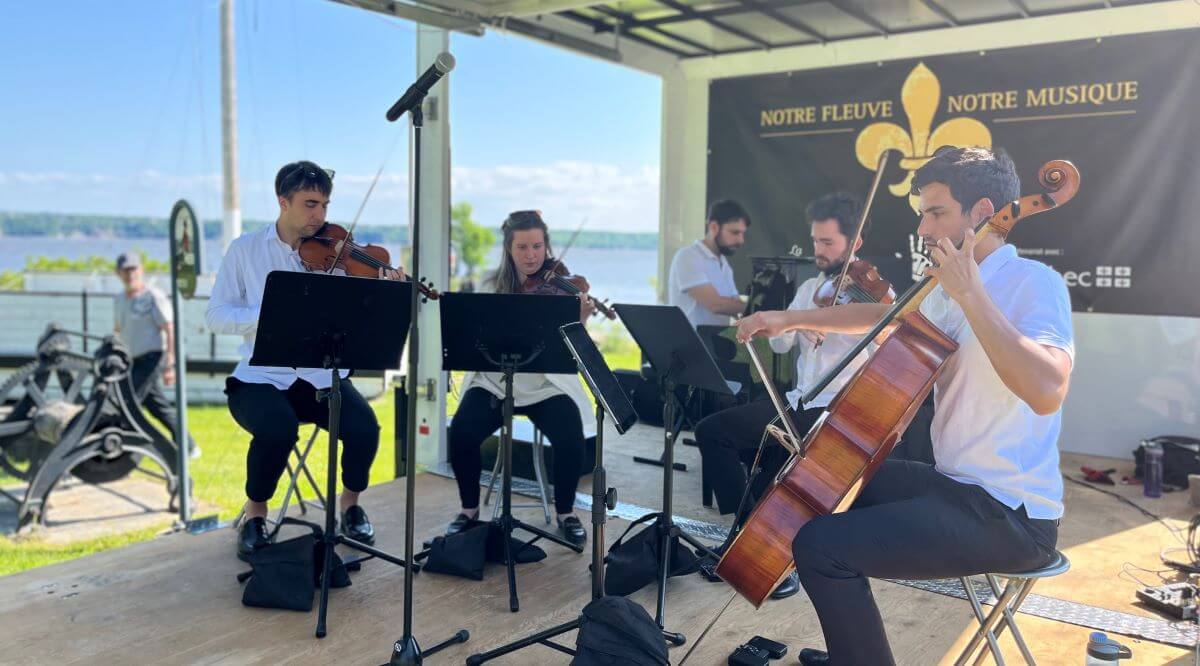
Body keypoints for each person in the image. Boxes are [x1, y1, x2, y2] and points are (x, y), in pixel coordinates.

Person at [737, 146, 1072, 665]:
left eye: (935, 213)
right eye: (922, 214)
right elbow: (884, 316)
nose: (922, 228)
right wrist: (787, 319)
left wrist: (972, 296)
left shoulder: (1033, 282)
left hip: (1011, 515)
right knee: (829, 480)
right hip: (955, 486)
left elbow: (1047, 390)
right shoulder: (943, 290)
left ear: (983, 213)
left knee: (822, 547)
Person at [206, 160, 403, 561]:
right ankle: (255, 515)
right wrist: (269, 314)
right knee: (277, 430)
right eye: (310, 204)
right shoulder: (245, 250)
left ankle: (350, 506)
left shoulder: (337, 256)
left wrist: (387, 293)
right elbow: (215, 316)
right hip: (260, 377)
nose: (320, 215)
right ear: (283, 202)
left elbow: (360, 318)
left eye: (325, 205)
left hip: (319, 374)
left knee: (365, 428)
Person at [694, 191, 879, 601]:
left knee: (769, 480)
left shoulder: (871, 294)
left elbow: (883, 340)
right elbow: (779, 345)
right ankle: (747, 538)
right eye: (815, 240)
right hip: (797, 403)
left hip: (835, 412)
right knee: (713, 433)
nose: (818, 250)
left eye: (828, 242)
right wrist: (794, 323)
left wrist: (832, 323)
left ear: (855, 243)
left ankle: (774, 557)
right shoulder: (810, 288)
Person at [444, 210, 596, 546]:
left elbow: (571, 347)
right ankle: (469, 510)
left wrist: (581, 319)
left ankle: (566, 512)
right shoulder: (489, 285)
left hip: (543, 384)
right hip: (494, 382)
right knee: (462, 432)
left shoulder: (560, 288)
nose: (531, 256)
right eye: (522, 247)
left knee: (572, 436)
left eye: (537, 247)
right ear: (508, 249)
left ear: (546, 247)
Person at [113, 252, 200, 458]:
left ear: (141, 270)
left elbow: (169, 328)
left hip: (153, 358)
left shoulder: (153, 296)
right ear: (118, 273)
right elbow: (118, 330)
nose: (130, 274)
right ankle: (188, 445)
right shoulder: (119, 299)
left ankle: (126, 449)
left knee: (129, 401)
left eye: (133, 269)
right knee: (157, 406)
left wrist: (170, 362)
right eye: (125, 270)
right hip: (132, 361)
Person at [667, 199, 750, 328]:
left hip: (713, 339)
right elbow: (716, 305)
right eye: (735, 233)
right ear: (714, 227)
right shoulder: (688, 256)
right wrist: (760, 308)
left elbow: (735, 305)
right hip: (689, 340)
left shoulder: (724, 264)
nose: (741, 240)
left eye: (742, 234)